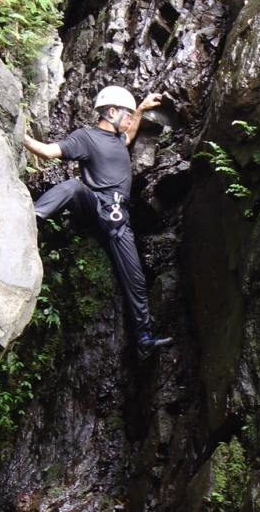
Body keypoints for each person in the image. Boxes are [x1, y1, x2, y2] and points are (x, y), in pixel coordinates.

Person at [23, 85, 173, 361]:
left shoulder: (119, 140)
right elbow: (47, 151)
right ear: (112, 112)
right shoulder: (86, 138)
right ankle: (31, 218)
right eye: (126, 115)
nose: (128, 121)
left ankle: (143, 340)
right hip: (95, 206)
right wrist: (19, 135)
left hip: (119, 219)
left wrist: (139, 109)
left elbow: (129, 136)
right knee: (73, 187)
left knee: (136, 279)